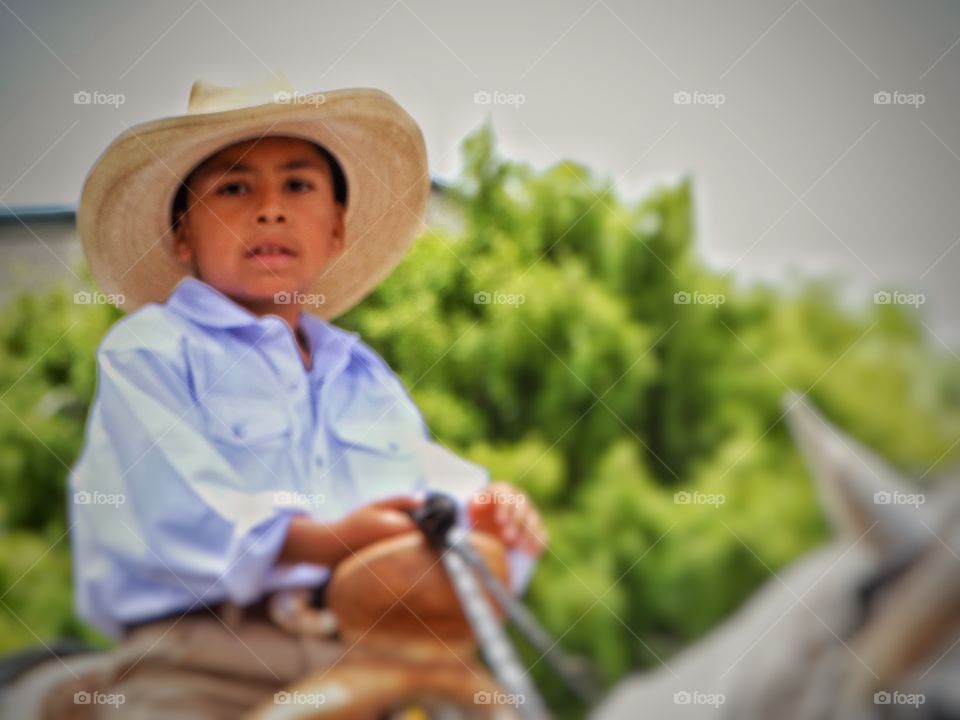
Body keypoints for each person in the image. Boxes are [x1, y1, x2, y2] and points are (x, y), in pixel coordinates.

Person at [8, 75, 547, 719]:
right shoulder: (150, 349)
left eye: (298, 185)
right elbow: (179, 509)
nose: (270, 208)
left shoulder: (361, 373)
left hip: (367, 647)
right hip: (206, 659)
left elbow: (427, 489)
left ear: (337, 227)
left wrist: (488, 511)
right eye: (234, 187)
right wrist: (330, 542)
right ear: (182, 235)